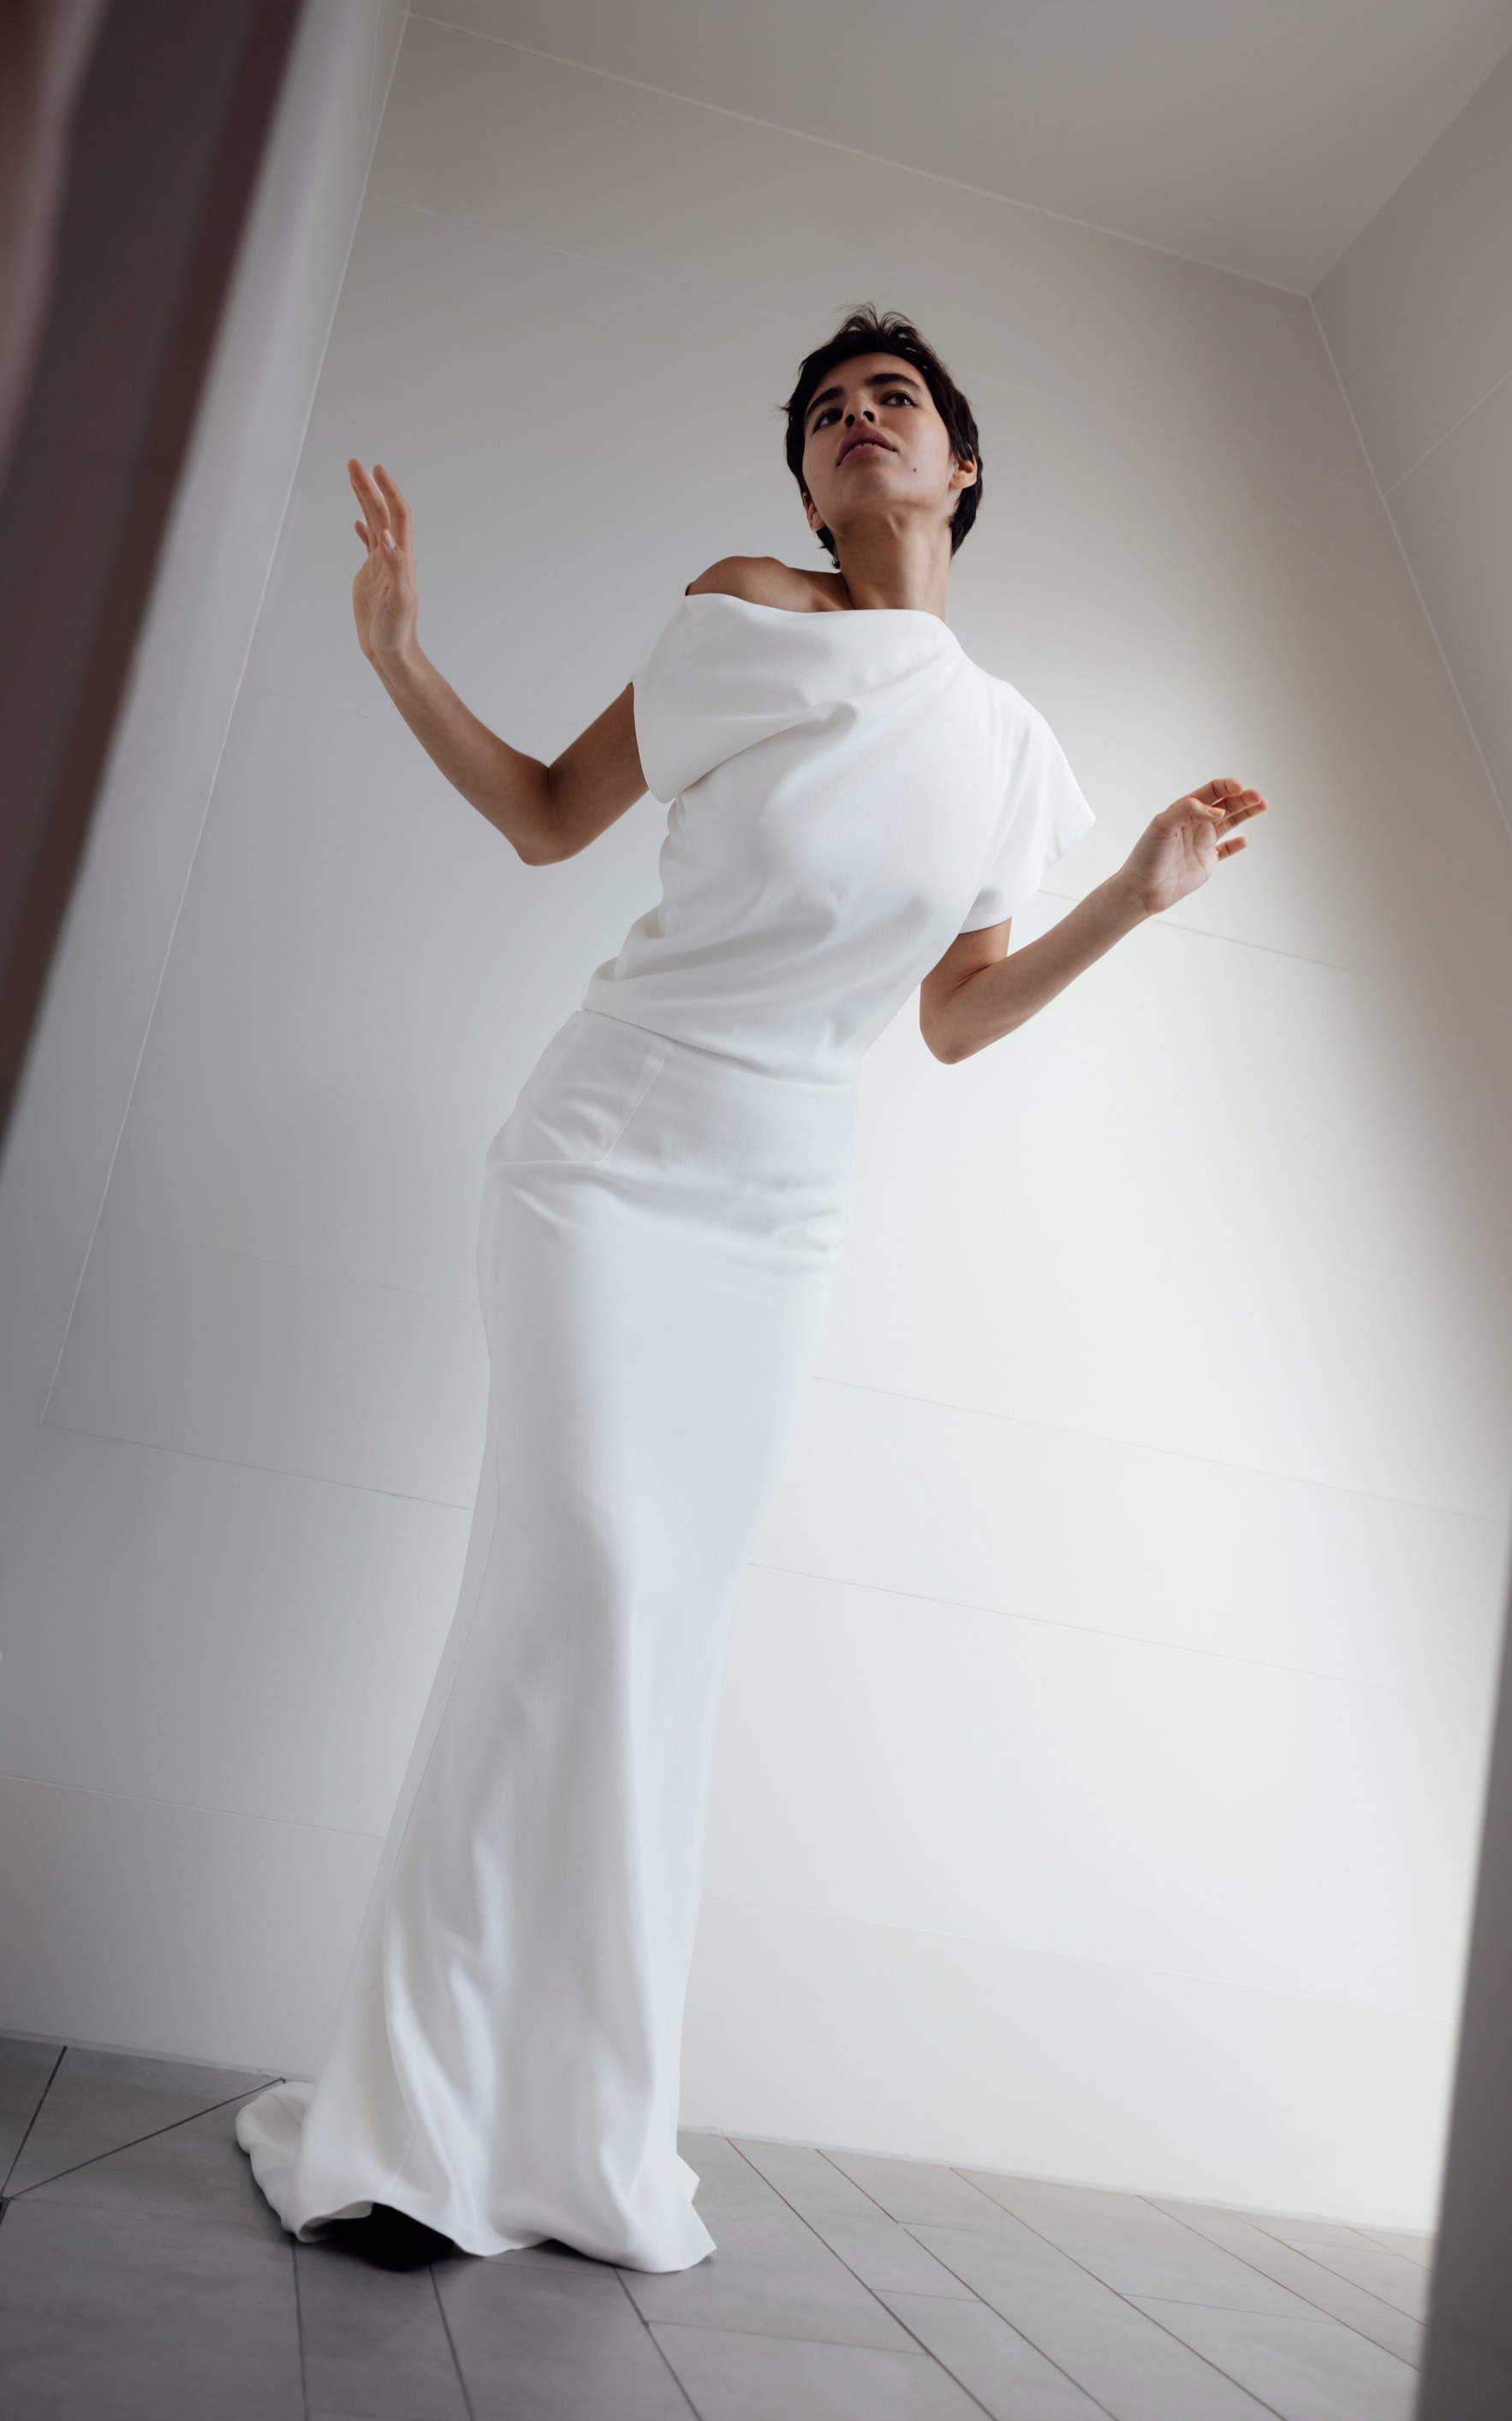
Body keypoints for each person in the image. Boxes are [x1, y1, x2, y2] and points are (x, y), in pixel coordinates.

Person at [235, 308, 1266, 2270]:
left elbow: (953, 1017)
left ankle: (565, 2139)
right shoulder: (744, 612)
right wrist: (396, 654)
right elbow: (550, 816)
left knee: (653, 1645)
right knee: (583, 1585)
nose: (859, 419)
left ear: (962, 465)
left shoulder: (1014, 750)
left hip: (776, 1223)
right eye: (826, 412)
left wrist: (1130, 899)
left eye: (897, 401)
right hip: (606, 1164)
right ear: (804, 481)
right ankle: (410, 2133)